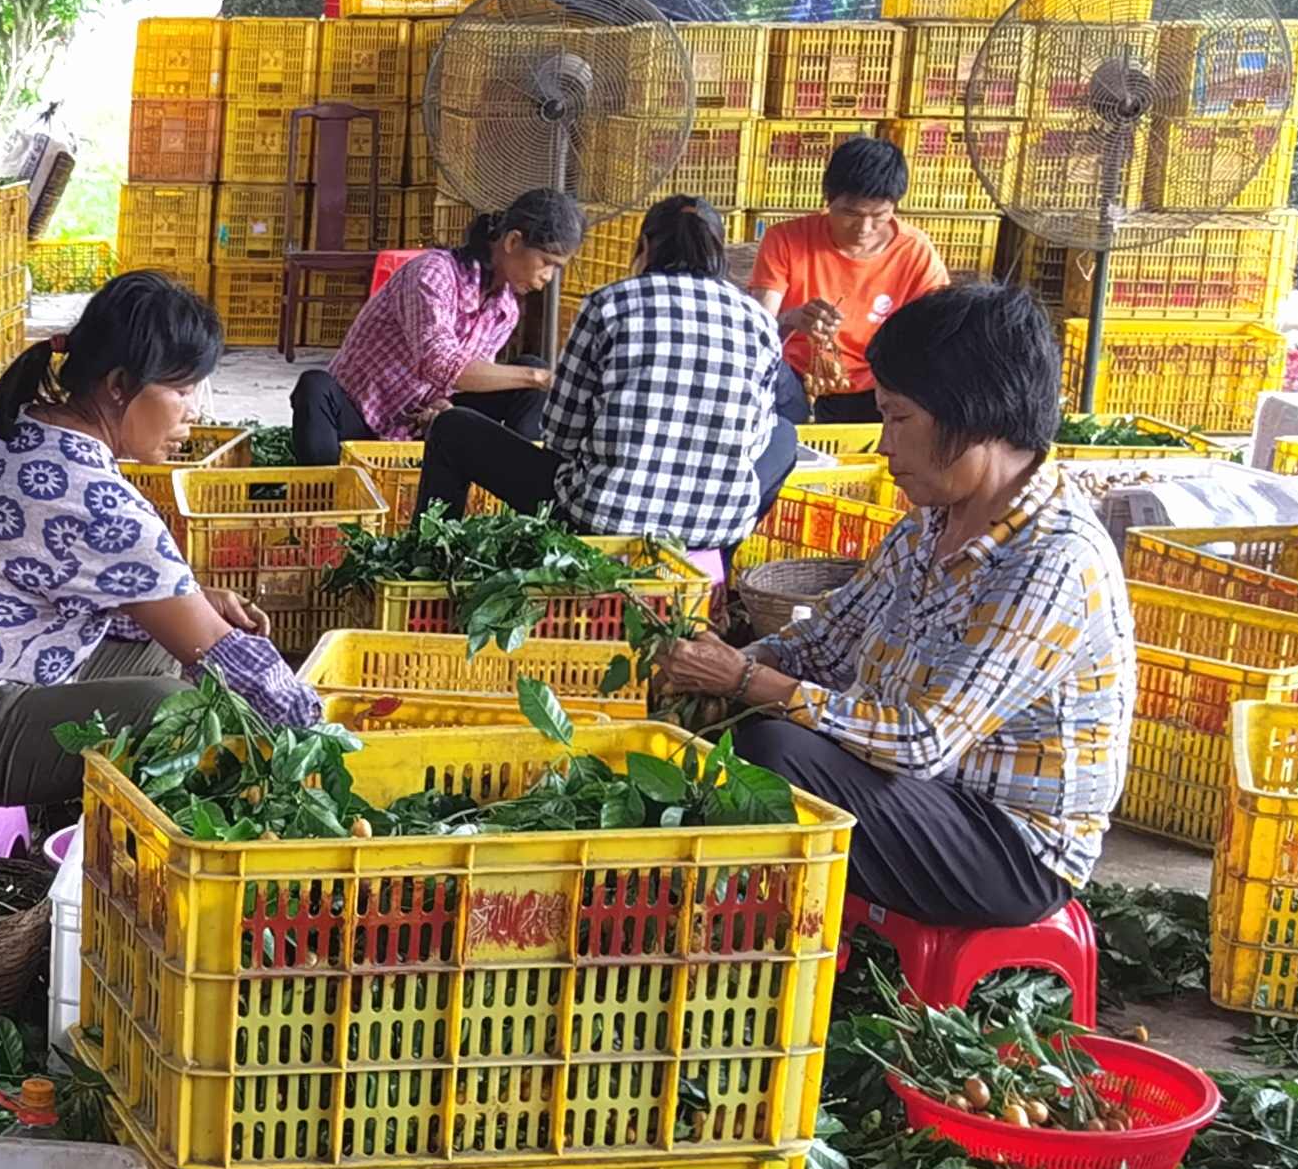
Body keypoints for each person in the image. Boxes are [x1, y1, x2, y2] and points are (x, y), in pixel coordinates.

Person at [653, 280, 1132, 928]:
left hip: (1011, 849)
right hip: (930, 796)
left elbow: (922, 742)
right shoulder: (930, 524)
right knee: (731, 736)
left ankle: (741, 933)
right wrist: (712, 666)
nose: (883, 445)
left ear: (974, 415)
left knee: (771, 753)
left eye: (898, 418)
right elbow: (823, 643)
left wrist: (748, 681)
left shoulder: (1053, 559)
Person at [0, 271, 321, 812]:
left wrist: (192, 602)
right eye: (180, 389)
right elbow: (222, 654)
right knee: (172, 711)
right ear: (120, 384)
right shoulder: (96, 501)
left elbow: (64, 586)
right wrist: (324, 738)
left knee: (157, 641)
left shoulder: (15, 429)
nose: (194, 412)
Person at [424, 196, 798, 557]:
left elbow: (559, 435)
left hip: (599, 518)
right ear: (718, 250)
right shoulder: (760, 323)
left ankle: (429, 564)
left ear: (646, 246)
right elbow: (753, 442)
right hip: (712, 528)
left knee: (451, 428)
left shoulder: (611, 304)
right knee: (785, 435)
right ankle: (718, 571)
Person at [288, 187, 581, 462]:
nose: (548, 277)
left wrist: (444, 407)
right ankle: (327, 493)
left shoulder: (505, 310)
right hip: (357, 419)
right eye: (547, 262)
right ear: (513, 241)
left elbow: (466, 380)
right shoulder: (434, 273)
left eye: (557, 268)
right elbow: (440, 365)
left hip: (416, 426)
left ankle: (512, 492)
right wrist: (538, 376)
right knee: (315, 387)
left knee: (529, 388)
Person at [749, 136, 950, 425]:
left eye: (878, 215)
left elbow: (936, 335)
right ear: (828, 200)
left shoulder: (915, 251)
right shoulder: (786, 240)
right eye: (850, 213)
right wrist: (793, 318)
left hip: (879, 386)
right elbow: (758, 334)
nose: (864, 228)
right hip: (795, 382)